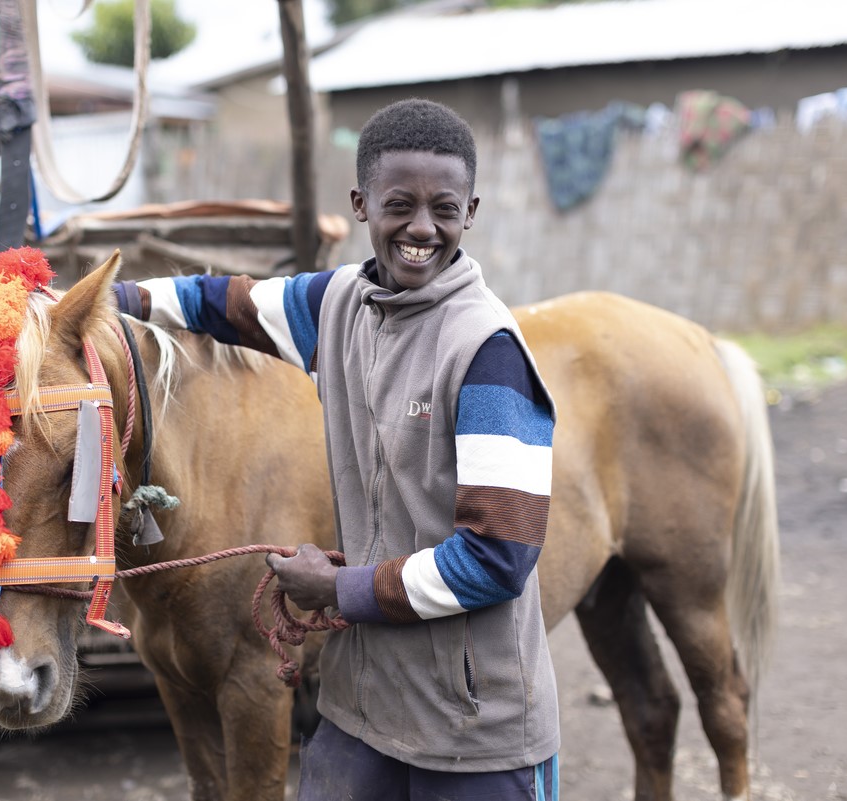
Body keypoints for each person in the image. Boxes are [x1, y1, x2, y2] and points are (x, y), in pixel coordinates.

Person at [113, 98, 559, 800]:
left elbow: (498, 559)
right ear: (360, 204)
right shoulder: (336, 305)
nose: (421, 228)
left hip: (472, 728)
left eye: (444, 208)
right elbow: (221, 303)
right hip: (359, 709)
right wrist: (110, 300)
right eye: (399, 205)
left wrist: (339, 589)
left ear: (471, 211)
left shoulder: (487, 352)